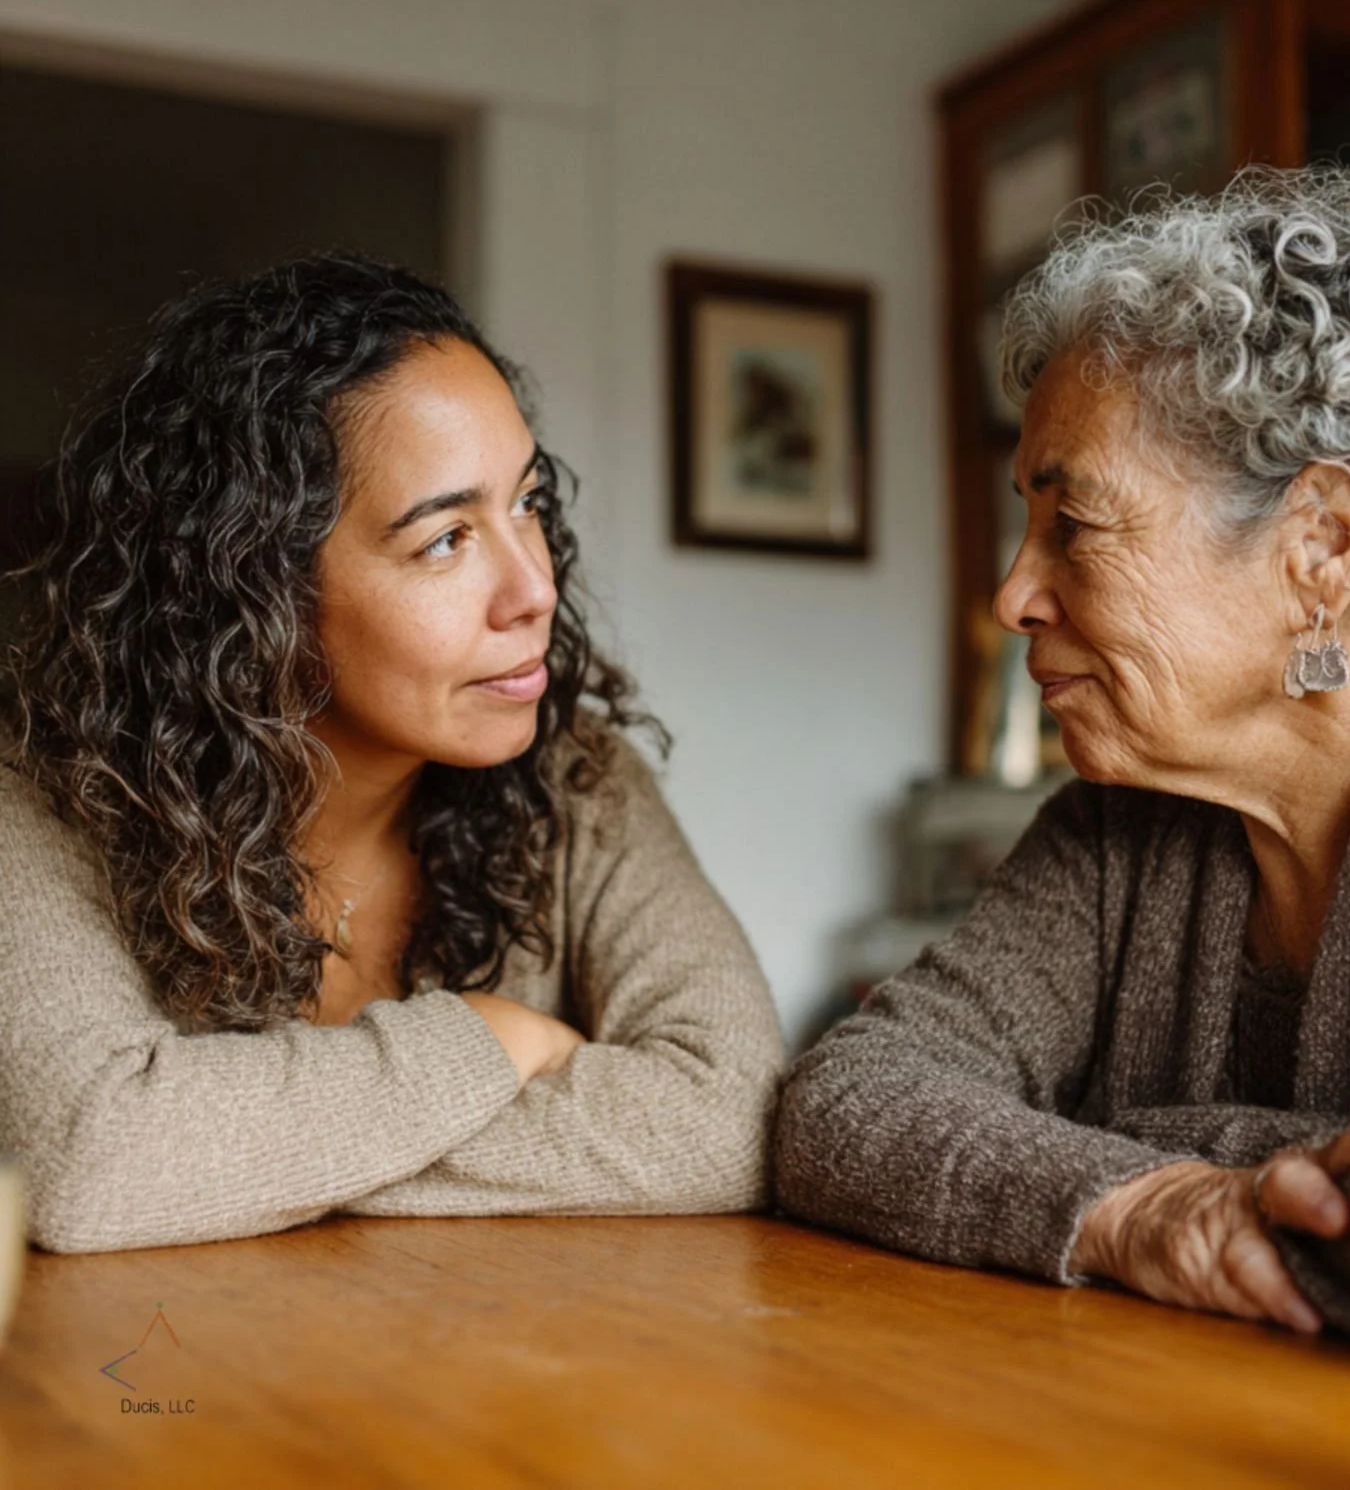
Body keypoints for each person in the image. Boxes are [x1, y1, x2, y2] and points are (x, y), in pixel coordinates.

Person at [774, 165, 1350, 1336]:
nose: (1012, 595)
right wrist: (1145, 1199)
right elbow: (841, 1106)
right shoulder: (1119, 821)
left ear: (1320, 544)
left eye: (1075, 524)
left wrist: (1126, 1138)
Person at [1, 253, 784, 1253]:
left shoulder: (579, 781)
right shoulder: (41, 800)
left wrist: (240, 1159)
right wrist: (491, 1039)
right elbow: (95, 1161)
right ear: (253, 592)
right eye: (445, 540)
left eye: (528, 503)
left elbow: (735, 1114)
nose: (534, 588)